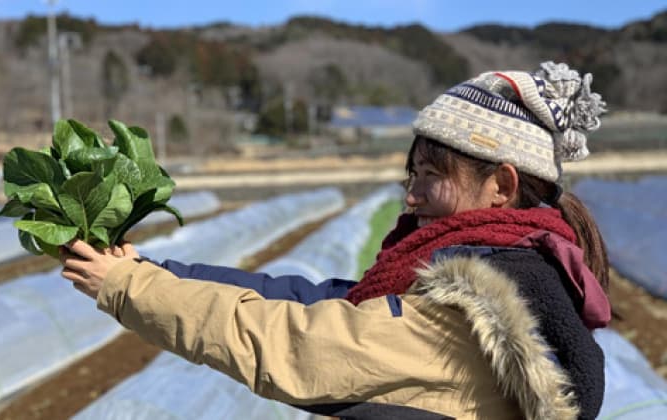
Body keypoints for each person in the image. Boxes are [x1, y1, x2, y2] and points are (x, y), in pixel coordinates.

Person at [60, 61, 611, 420]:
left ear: (502, 186)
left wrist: (130, 286)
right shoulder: (502, 265)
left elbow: (297, 344)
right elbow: (312, 298)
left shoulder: (483, 310)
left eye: (430, 176)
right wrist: (154, 269)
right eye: (410, 176)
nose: (411, 197)